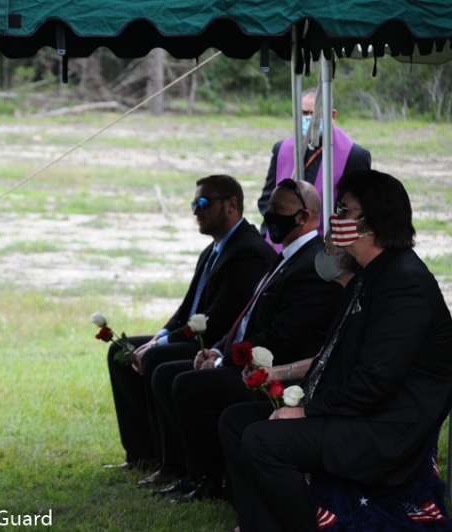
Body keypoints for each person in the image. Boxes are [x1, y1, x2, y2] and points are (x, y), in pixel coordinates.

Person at [219, 169, 452, 532]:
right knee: (237, 421)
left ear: (372, 223)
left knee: (262, 440)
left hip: (385, 431)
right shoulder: (371, 274)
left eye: (344, 210)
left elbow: (374, 382)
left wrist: (306, 411)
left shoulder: (403, 284)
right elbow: (335, 355)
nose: (334, 219)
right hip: (360, 413)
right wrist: (287, 381)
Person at [149, 179, 343, 500]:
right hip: (250, 360)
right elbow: (246, 318)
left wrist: (224, 361)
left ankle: (208, 479)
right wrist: (216, 351)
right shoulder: (287, 256)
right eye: (268, 208)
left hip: (278, 372)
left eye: (278, 209)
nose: (269, 216)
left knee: (187, 385)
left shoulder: (310, 264)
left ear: (304, 217)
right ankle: (188, 471)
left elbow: (282, 338)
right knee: (173, 374)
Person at [106, 175, 276, 484]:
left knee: (157, 360)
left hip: (218, 343)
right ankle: (142, 452)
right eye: (193, 203)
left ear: (231, 205)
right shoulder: (214, 250)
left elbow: (216, 322)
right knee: (122, 349)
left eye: (203, 202)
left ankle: (173, 463)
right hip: (200, 337)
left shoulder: (247, 251)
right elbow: (187, 310)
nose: (196, 211)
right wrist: (158, 337)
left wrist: (158, 347)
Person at [257, 87, 371, 238]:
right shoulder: (281, 149)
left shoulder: (355, 156)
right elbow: (267, 198)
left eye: (317, 114)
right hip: (283, 238)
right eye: (304, 113)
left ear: (332, 115)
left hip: (327, 241)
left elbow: (357, 211)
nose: (310, 119)